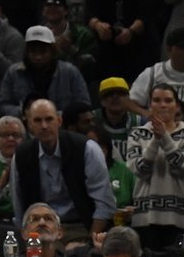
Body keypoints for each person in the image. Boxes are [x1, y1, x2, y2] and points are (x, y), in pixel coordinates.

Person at [12, 98, 116, 244]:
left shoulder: (87, 149)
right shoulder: (21, 155)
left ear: (59, 121)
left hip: (81, 227)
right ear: (29, 124)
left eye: (49, 119)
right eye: (37, 120)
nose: (44, 126)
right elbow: (19, 208)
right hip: (39, 229)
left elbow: (105, 204)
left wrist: (89, 242)